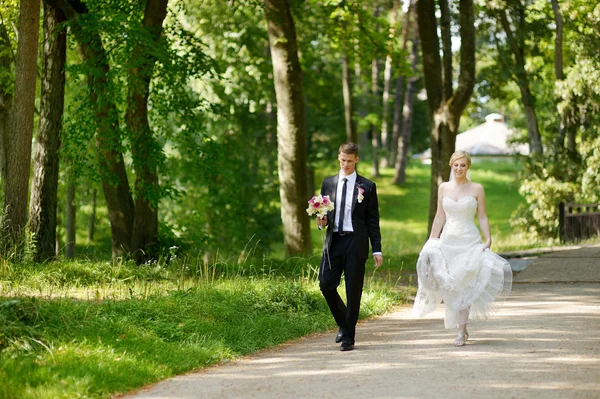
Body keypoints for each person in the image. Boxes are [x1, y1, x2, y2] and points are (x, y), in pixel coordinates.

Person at [412, 150, 512, 346]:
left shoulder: (477, 189)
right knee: (451, 285)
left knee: (465, 284)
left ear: (468, 167)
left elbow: (482, 216)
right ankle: (462, 327)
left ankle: (460, 331)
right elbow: (440, 216)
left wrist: (488, 237)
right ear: (451, 166)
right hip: (448, 241)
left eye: (463, 165)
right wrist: (432, 239)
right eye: (456, 165)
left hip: (469, 241)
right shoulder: (443, 188)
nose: (459, 168)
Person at [316, 142, 383, 351]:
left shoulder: (367, 186)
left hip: (356, 243)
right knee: (326, 284)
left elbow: (373, 220)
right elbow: (323, 213)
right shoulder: (328, 183)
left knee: (353, 290)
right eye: (342, 160)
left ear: (356, 160)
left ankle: (348, 338)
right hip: (334, 241)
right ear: (338, 157)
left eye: (349, 161)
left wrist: (377, 249)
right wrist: (321, 222)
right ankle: (345, 323)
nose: (345, 164)